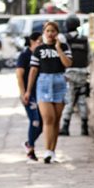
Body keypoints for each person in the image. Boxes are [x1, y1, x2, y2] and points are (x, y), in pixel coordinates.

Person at [24, 21, 72, 164]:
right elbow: (33, 70)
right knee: (48, 118)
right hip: (43, 84)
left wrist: (58, 48)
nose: (50, 33)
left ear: (57, 33)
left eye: (53, 31)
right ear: (44, 33)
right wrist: (27, 91)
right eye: (48, 31)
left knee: (57, 119)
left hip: (60, 83)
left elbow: (67, 64)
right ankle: (46, 151)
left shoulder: (63, 47)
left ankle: (52, 151)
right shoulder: (39, 50)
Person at [59, 14, 91, 137]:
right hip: (83, 73)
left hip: (69, 74)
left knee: (69, 100)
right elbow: (89, 57)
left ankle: (66, 127)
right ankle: (84, 127)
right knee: (82, 100)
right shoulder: (84, 39)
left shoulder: (63, 38)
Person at [16, 32, 43, 161]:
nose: (41, 43)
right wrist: (23, 92)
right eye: (39, 41)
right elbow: (19, 75)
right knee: (35, 121)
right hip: (29, 94)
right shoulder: (25, 55)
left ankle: (28, 143)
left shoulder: (41, 54)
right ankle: (31, 150)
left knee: (42, 123)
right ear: (32, 41)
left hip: (41, 93)